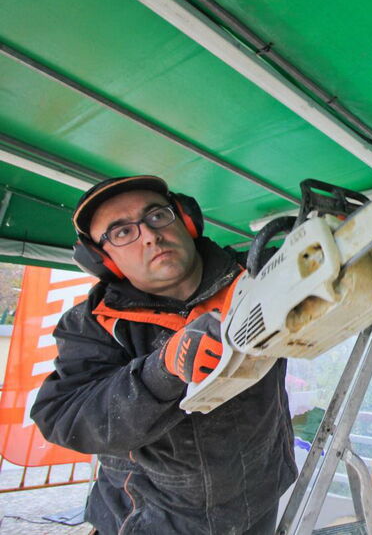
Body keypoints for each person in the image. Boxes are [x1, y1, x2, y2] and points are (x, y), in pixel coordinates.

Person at [31, 175, 297, 535]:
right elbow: (64, 417)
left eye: (157, 216)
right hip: (151, 519)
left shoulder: (257, 275)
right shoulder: (91, 324)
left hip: (258, 500)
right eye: (122, 232)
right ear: (102, 259)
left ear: (186, 220)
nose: (150, 235)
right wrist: (163, 370)